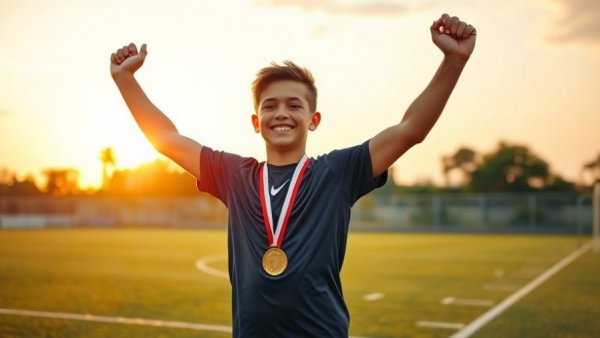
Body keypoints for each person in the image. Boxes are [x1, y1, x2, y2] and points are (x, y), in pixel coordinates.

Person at [110, 13, 476, 337]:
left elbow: (410, 129)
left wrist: (454, 61)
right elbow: (168, 141)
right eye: (269, 106)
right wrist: (126, 80)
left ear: (313, 120)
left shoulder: (336, 173)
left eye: (294, 105)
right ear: (256, 122)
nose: (280, 113)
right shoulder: (234, 175)